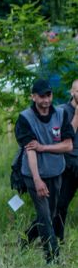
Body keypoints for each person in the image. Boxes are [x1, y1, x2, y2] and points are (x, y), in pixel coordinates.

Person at [16, 78, 74, 263]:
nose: (46, 100)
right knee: (45, 215)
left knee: (52, 212)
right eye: (41, 96)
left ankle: (24, 240)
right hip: (33, 175)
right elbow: (30, 151)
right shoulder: (25, 118)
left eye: (48, 95)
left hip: (56, 172)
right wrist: (37, 180)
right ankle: (53, 258)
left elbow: (68, 146)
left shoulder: (61, 114)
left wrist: (44, 147)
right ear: (33, 97)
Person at [56, 78, 78, 238]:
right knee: (60, 205)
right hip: (68, 165)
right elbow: (65, 137)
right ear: (71, 92)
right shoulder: (62, 111)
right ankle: (57, 240)